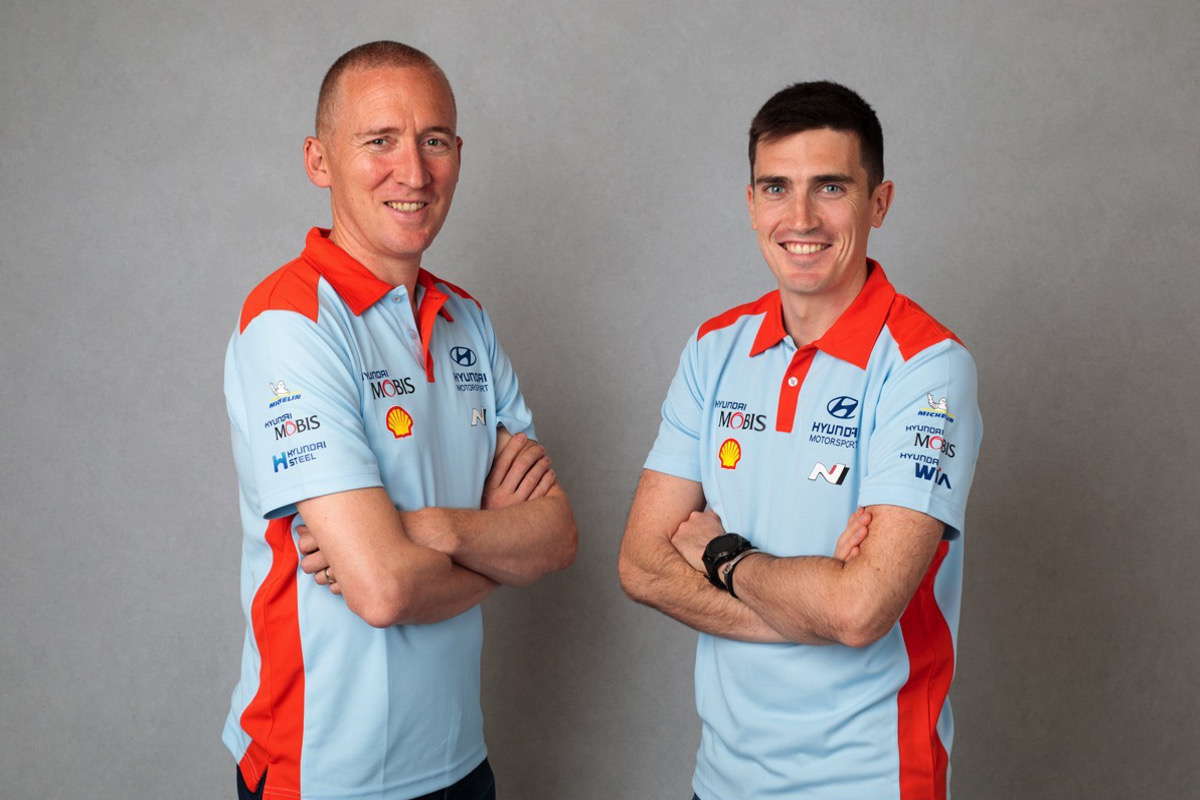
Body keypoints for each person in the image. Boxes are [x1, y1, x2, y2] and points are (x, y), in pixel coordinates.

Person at [221, 41, 577, 800]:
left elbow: (556, 538)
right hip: (322, 771)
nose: (413, 172)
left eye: (434, 141)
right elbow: (382, 590)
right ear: (319, 161)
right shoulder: (290, 322)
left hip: (459, 760)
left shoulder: (467, 320)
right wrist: (494, 546)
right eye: (379, 141)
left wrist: (426, 531)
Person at [618, 81, 982, 800]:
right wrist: (815, 604)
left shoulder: (928, 366)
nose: (801, 218)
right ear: (751, 203)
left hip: (872, 781)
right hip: (720, 780)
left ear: (879, 202)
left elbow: (860, 611)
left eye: (831, 187)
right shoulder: (714, 348)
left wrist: (723, 557)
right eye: (776, 188)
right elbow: (640, 565)